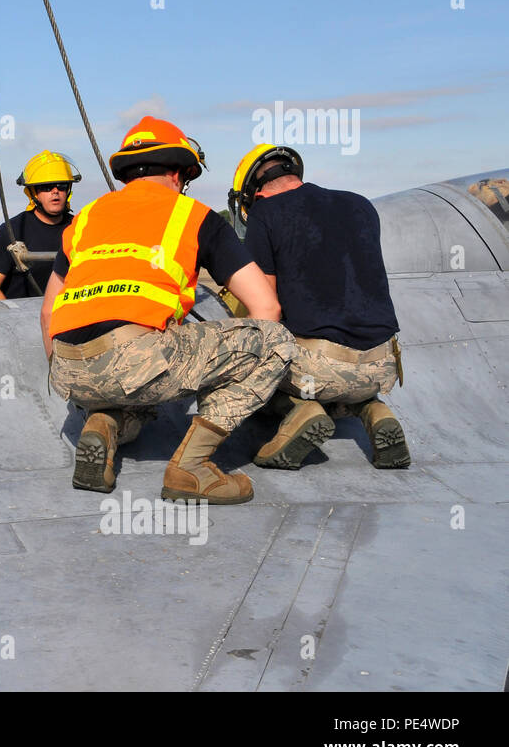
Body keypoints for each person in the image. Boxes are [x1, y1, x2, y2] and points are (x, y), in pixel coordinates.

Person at [43, 116, 295, 504]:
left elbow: (48, 311)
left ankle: (105, 420)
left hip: (68, 369)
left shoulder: (87, 217)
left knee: (148, 373)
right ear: (178, 174)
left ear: (128, 173)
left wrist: (73, 378)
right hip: (132, 358)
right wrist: (235, 388)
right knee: (274, 341)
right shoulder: (193, 215)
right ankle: (191, 468)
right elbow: (266, 305)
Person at [230, 144, 410, 469]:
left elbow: (266, 307)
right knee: (348, 374)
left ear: (254, 193)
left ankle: (301, 410)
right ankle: (374, 410)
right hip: (381, 364)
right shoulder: (360, 204)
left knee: (251, 357)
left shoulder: (264, 215)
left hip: (320, 368)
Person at [0, 151, 79, 300]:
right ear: (33, 193)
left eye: (62, 185)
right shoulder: (11, 231)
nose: (55, 191)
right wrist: (14, 320)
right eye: (46, 186)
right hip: (22, 319)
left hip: (66, 319)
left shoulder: (81, 227)